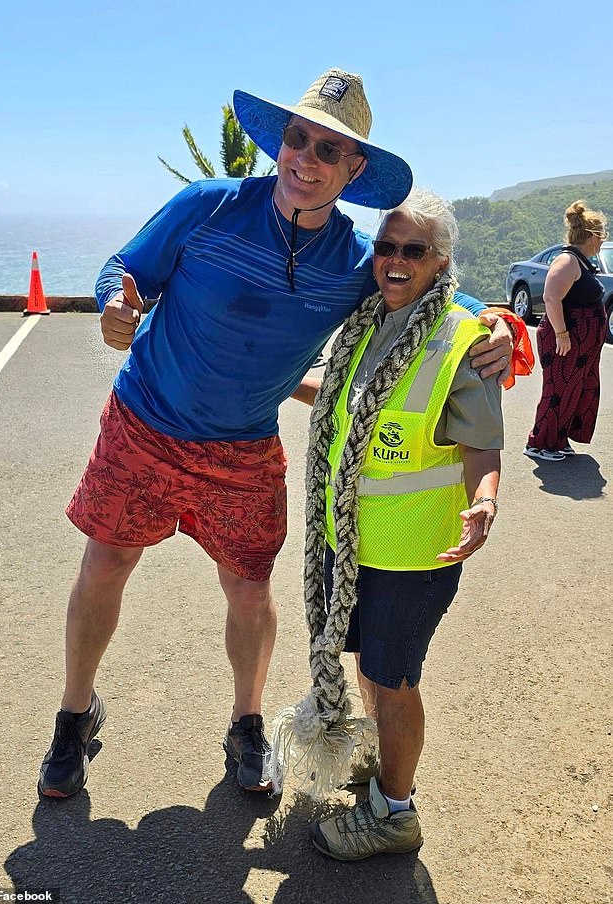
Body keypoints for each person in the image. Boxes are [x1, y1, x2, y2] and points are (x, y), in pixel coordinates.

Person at [37, 69, 513, 800]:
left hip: (245, 447)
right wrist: (113, 306)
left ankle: (247, 723)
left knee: (250, 591)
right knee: (105, 563)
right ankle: (74, 715)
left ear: (355, 170)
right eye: (298, 138)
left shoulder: (356, 259)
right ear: (277, 143)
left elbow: (429, 287)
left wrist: (498, 324)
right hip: (144, 423)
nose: (307, 159)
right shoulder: (208, 207)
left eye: (330, 149)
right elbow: (124, 269)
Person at [272, 187, 502, 860]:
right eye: (386, 247)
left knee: (395, 684)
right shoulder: (367, 324)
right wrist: (269, 378)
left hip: (416, 554)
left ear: (440, 261)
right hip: (354, 546)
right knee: (374, 672)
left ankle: (396, 814)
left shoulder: (464, 339)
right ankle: (383, 771)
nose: (395, 261)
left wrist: (485, 499)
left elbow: (483, 446)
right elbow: (344, 398)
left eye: (414, 250)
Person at [524, 200, 608, 461]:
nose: (604, 242)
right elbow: (551, 297)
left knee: (578, 388)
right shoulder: (568, 260)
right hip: (566, 339)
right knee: (559, 389)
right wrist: (562, 334)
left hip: (580, 342)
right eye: (603, 236)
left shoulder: (580, 262)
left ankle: (558, 439)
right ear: (593, 237)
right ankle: (541, 444)